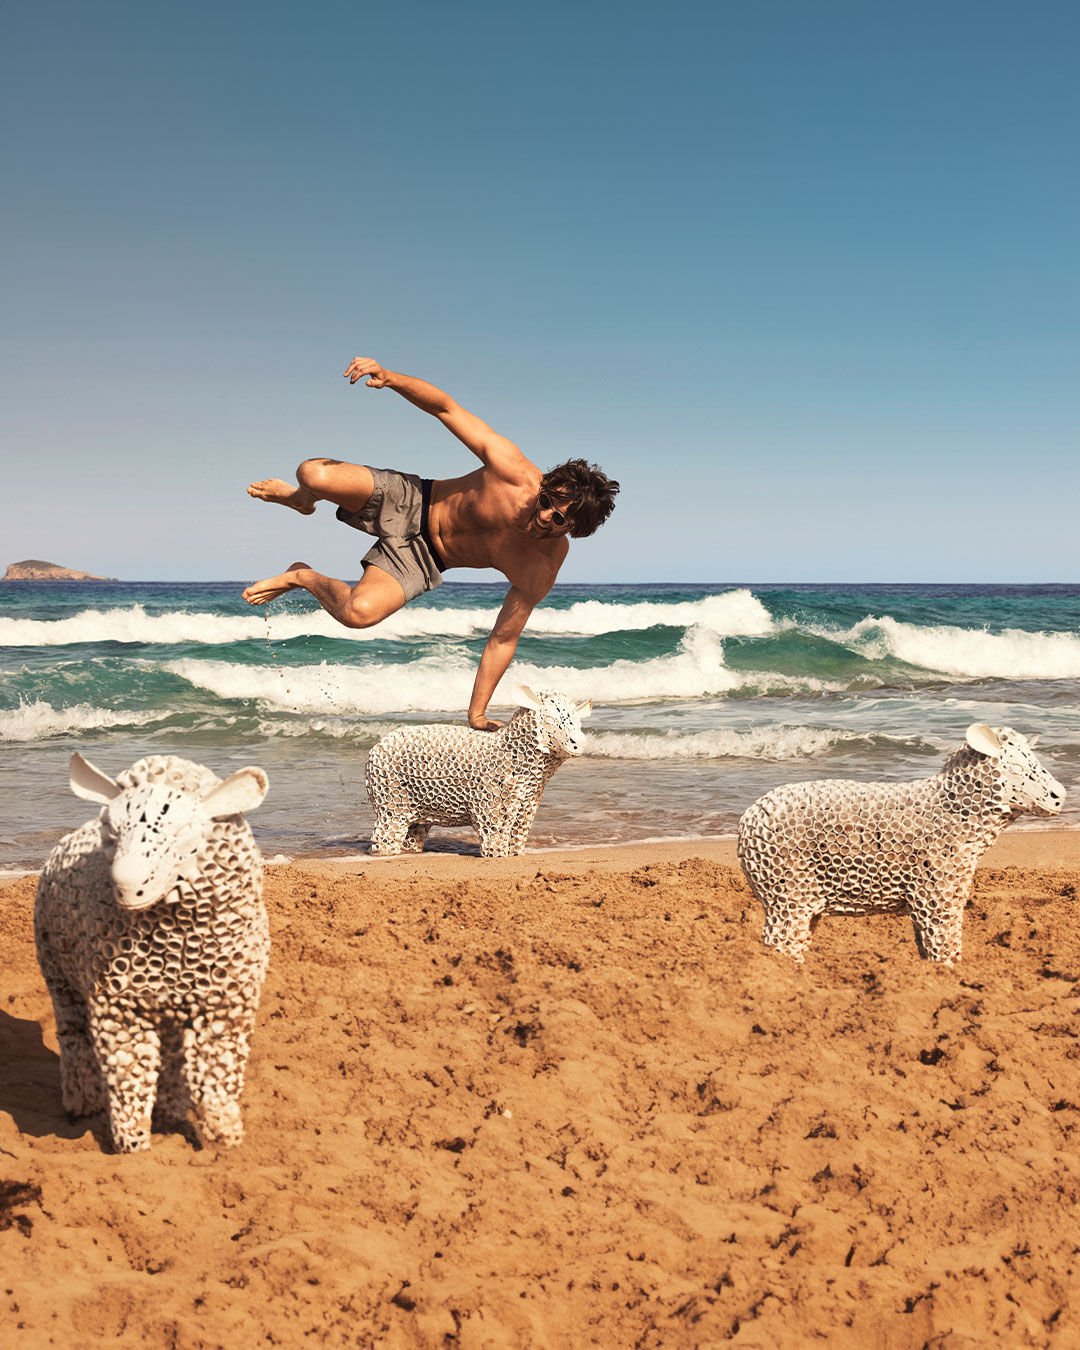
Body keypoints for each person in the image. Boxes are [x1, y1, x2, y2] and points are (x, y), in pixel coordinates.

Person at [243, 356, 619, 730]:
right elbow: (446, 409)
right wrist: (390, 377)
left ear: (574, 529)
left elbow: (503, 639)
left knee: (358, 614)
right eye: (546, 501)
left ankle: (301, 575)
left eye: (558, 519)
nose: (544, 515)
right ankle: (301, 501)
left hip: (424, 557)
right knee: (313, 473)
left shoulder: (541, 567)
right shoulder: (512, 470)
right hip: (412, 498)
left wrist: (477, 714)